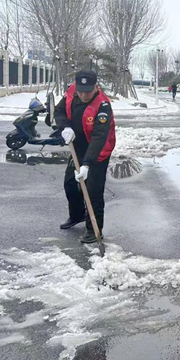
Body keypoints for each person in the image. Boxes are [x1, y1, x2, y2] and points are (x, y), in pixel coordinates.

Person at [55, 70, 116, 244]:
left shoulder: (103, 105)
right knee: (70, 184)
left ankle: (93, 230)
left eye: (87, 91)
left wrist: (87, 164)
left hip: (98, 151)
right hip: (78, 147)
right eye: (80, 91)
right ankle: (77, 215)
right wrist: (64, 127)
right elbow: (58, 111)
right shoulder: (71, 93)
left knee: (93, 190)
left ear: (96, 87)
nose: (83, 95)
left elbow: (99, 136)